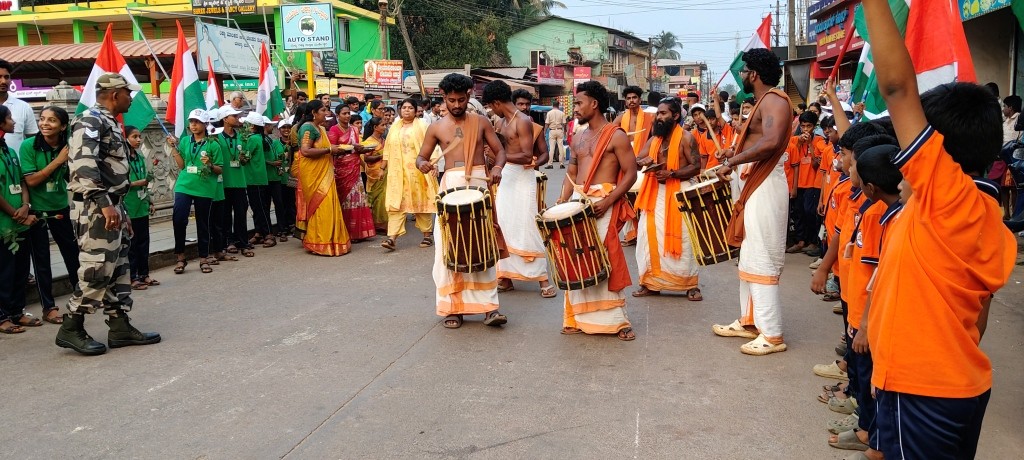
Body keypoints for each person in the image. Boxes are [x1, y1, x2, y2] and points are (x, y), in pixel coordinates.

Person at [861, 1, 1015, 456]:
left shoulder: (949, 200)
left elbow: (897, 87)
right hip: (949, 383)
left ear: (938, 155)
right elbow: (979, 315)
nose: (902, 164)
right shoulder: (985, 212)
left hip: (924, 389)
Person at [57, 73, 161, 355]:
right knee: (97, 265)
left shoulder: (109, 122)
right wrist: (103, 201)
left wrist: (118, 206)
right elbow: (82, 163)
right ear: (114, 94)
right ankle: (71, 327)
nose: (131, 97)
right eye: (128, 93)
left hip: (111, 203)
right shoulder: (91, 120)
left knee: (117, 266)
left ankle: (119, 326)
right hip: (94, 206)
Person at [822, 136, 904, 456]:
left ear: (870, 186)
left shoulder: (877, 215)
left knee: (875, 381)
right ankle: (866, 427)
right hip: (859, 306)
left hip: (869, 313)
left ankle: (870, 434)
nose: (846, 164)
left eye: (851, 160)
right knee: (867, 376)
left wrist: (866, 323)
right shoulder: (878, 209)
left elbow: (877, 276)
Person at [710, 48, 793, 355]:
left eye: (744, 71)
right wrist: (734, 155)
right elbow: (758, 141)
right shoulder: (763, 100)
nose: (742, 76)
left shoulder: (773, 99)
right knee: (749, 257)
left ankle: (772, 335)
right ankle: (749, 322)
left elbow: (770, 143)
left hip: (766, 184)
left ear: (754, 74)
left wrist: (734, 162)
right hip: (754, 183)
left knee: (762, 258)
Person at [416, 73, 507, 329]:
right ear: (443, 98)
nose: (456, 105)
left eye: (461, 99)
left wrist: (498, 168)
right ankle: (453, 308)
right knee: (449, 246)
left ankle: (489, 308)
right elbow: (421, 157)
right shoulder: (435, 127)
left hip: (478, 184)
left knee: (482, 244)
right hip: (451, 188)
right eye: (451, 100)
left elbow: (500, 151)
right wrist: (423, 164)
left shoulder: (481, 122)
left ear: (469, 96)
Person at [555, 80, 637, 341]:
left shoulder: (616, 135)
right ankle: (578, 318)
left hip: (603, 201)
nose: (575, 107)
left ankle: (616, 321)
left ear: (595, 103)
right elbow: (571, 171)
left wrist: (609, 200)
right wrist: (562, 200)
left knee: (605, 256)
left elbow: (631, 174)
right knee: (577, 257)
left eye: (579, 102)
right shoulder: (577, 136)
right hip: (579, 201)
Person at [483, 81, 554, 298]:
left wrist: (498, 157)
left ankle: (543, 279)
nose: (491, 110)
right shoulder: (501, 122)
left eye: (490, 106)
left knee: (527, 224)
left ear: (496, 102)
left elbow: (525, 155)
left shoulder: (522, 121)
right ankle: (505, 276)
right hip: (506, 177)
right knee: (504, 224)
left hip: (523, 178)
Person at [633, 97, 703, 301]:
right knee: (648, 237)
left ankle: (690, 284)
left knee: (684, 239)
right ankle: (651, 283)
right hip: (654, 194)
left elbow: (696, 166)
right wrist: (642, 161)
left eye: (663, 113)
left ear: (675, 115)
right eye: (658, 114)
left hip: (679, 191)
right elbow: (637, 160)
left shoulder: (686, 138)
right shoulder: (654, 139)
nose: (659, 117)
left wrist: (672, 174)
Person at [19, 106, 79, 324]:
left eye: (51, 120)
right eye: (42, 119)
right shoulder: (29, 146)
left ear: (63, 126)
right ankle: (49, 307)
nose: (45, 124)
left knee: (72, 253)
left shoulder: (67, 146)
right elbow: (32, 180)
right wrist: (58, 161)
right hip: (36, 212)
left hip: (60, 209)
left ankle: (81, 295)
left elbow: (70, 178)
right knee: (41, 259)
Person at [0, 104, 40, 334]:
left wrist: (25, 206)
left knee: (20, 270)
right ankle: (2, 315)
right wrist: (14, 213)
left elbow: (22, 182)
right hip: (5, 222)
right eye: (9, 118)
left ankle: (16, 311)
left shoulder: (9, 150)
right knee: (4, 271)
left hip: (20, 219)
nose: (14, 122)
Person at [169, 109, 223, 275]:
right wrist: (174, 149)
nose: (193, 125)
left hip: (204, 187)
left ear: (205, 124)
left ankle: (204, 257)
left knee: (203, 222)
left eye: (197, 122)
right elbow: (182, 165)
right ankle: (180, 256)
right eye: (191, 121)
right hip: (184, 184)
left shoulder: (213, 144)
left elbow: (220, 169)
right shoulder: (185, 141)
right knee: (178, 218)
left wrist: (210, 165)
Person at [294, 100, 351, 256]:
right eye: (323, 110)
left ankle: (330, 241)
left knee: (329, 206)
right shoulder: (307, 127)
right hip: (313, 175)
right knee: (322, 207)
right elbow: (305, 151)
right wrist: (329, 150)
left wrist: (334, 151)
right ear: (314, 113)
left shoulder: (318, 128)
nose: (327, 114)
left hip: (324, 172)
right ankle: (319, 242)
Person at [381, 99, 435, 251]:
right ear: (400, 110)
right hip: (398, 172)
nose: (406, 110)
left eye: (410, 108)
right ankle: (392, 238)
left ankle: (427, 236)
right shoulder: (394, 128)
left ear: (415, 110)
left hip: (418, 171)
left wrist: (433, 164)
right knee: (396, 204)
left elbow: (432, 145)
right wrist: (382, 167)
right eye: (404, 108)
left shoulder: (423, 126)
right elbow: (387, 149)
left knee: (421, 203)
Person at [328, 103, 375, 242]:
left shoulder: (354, 129)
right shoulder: (334, 130)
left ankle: (359, 232)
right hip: (341, 169)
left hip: (355, 167)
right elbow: (332, 149)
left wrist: (363, 149)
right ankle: (346, 231)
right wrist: (350, 148)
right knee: (346, 201)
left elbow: (358, 149)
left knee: (358, 199)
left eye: (348, 113)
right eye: (344, 113)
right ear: (337, 116)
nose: (347, 116)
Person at [785, 111, 828, 257]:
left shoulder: (819, 141)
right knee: (798, 213)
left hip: (811, 183)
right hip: (796, 183)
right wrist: (800, 142)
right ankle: (800, 241)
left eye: (808, 126)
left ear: (814, 126)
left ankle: (812, 241)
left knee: (810, 213)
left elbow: (817, 165)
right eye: (803, 126)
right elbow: (790, 157)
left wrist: (810, 144)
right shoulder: (793, 140)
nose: (805, 129)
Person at [214, 105, 253, 257]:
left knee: (241, 213)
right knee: (225, 215)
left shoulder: (242, 137)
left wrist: (244, 158)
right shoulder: (216, 137)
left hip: (239, 181)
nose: (237, 119)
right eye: (234, 116)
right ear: (225, 119)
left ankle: (242, 242)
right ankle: (228, 242)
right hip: (223, 182)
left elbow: (245, 158)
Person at [614, 85, 650, 246]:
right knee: (627, 198)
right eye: (628, 98)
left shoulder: (649, 117)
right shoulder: (621, 117)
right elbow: (610, 132)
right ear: (625, 101)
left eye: (634, 97)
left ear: (640, 100)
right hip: (626, 160)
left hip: (643, 160)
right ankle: (631, 234)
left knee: (643, 198)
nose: (631, 101)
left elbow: (655, 138)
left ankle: (644, 232)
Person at [123, 126, 156, 291]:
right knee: (132, 244)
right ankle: (132, 277)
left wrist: (150, 200)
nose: (138, 140)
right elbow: (119, 184)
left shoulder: (140, 157)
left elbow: (145, 181)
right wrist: (137, 183)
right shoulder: (122, 159)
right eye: (134, 137)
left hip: (141, 205)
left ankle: (144, 274)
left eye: (139, 136)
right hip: (129, 206)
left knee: (144, 242)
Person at [241, 113, 274, 248]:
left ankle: (268, 234)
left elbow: (245, 157)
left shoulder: (253, 139)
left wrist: (240, 155)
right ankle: (259, 232)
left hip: (254, 177)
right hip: (257, 177)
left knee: (260, 208)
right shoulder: (261, 138)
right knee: (257, 207)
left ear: (252, 125)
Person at [0, 59, 39, 152]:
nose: (3, 81)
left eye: (6, 77)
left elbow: (32, 139)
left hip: (17, 165)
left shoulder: (23, 107)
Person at [262, 119, 289, 242]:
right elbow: (258, 159)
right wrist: (271, 163)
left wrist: (278, 161)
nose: (271, 127)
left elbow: (281, 156)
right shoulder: (259, 141)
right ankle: (267, 231)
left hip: (276, 178)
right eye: (268, 125)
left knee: (279, 204)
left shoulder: (274, 142)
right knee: (265, 206)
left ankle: (282, 229)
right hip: (264, 178)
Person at [360, 117, 388, 233]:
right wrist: (381, 156)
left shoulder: (383, 140)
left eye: (385, 125)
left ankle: (384, 222)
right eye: (382, 125)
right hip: (375, 173)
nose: (385, 127)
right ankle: (378, 224)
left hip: (386, 171)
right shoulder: (369, 142)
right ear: (375, 127)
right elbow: (366, 158)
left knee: (385, 197)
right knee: (377, 198)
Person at [545, 100, 567, 169]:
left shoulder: (549, 113)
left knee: (551, 148)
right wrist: (565, 131)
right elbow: (564, 123)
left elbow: (546, 124)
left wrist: (544, 132)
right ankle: (561, 163)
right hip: (560, 130)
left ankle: (550, 164)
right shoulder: (562, 113)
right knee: (560, 147)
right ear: (558, 105)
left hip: (552, 131)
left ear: (552, 105)